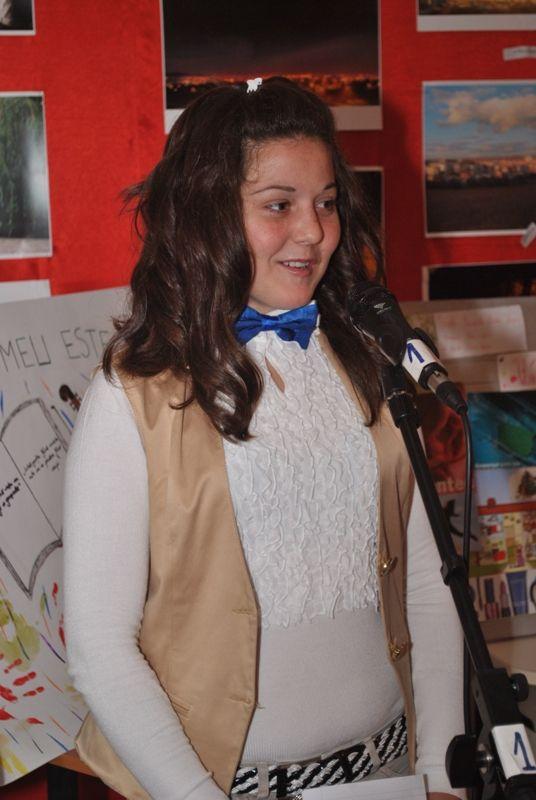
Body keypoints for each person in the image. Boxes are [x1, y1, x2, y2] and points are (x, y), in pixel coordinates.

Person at [63, 77, 464, 800]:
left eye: (326, 202)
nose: (313, 231)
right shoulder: (132, 394)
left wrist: (439, 770)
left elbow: (430, 587)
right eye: (280, 205)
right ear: (208, 214)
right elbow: (99, 648)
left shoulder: (373, 359)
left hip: (390, 770)